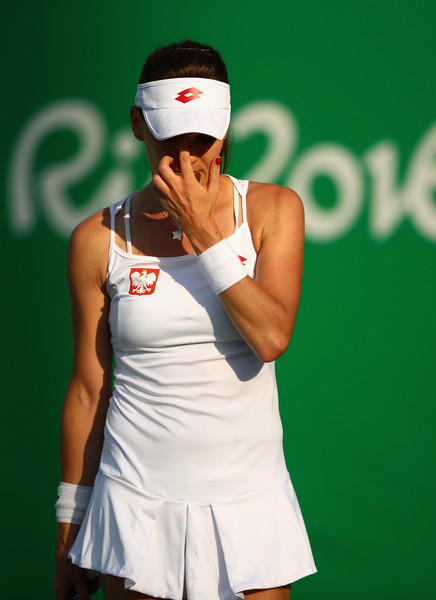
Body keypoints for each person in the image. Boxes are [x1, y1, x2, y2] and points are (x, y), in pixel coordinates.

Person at [53, 40, 316, 600]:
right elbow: (87, 389)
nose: (189, 155)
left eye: (204, 136)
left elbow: (271, 337)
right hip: (132, 506)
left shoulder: (274, 210)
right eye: (172, 135)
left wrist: (203, 233)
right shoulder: (95, 240)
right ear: (138, 125)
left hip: (251, 504)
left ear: (225, 130)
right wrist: (68, 522)